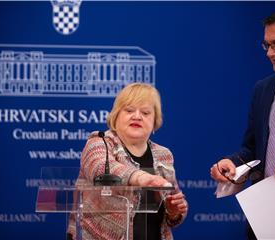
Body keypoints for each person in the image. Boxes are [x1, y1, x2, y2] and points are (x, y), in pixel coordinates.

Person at [210, 7, 275, 239]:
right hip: (267, 213)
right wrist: (233, 163)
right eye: (267, 45)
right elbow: (253, 148)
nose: (269, 53)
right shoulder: (263, 89)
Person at [67, 83, 188, 240]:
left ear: (154, 122)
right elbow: (101, 171)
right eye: (129, 110)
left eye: (145, 113)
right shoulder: (99, 142)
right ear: (116, 116)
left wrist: (174, 210)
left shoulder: (164, 155)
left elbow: (174, 211)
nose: (137, 116)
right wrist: (143, 178)